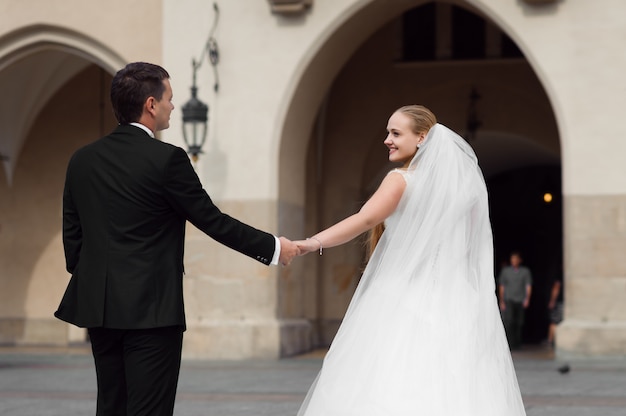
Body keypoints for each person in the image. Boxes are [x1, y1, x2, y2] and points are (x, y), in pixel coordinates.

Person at [54, 62, 299, 416]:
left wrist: (97, 280)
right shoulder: (167, 159)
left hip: (99, 308)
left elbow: (72, 237)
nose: (173, 106)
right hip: (152, 311)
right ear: (151, 104)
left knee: (111, 406)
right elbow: (212, 220)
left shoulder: (82, 160)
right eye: (169, 98)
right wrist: (275, 247)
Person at [295, 105, 526, 415]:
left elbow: (365, 220)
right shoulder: (464, 190)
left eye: (395, 133)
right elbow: (472, 244)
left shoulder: (401, 180)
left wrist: (312, 243)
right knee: (454, 383)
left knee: (389, 377)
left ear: (422, 138)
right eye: (388, 133)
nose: (387, 140)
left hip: (401, 297)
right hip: (455, 300)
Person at [498, 251, 533, 350]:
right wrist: (502, 300)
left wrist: (527, 298)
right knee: (509, 321)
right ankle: (510, 343)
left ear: (520, 260)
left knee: (519, 322)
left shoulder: (525, 272)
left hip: (520, 299)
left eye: (516, 259)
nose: (514, 261)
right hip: (509, 299)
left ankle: (518, 343)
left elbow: (528, 286)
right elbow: (502, 286)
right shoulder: (506, 271)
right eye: (512, 259)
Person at [545, 269, 564, 348]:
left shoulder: (559, 276)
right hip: (564, 302)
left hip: (559, 302)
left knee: (554, 322)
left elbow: (556, 288)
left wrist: (552, 301)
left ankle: (551, 340)